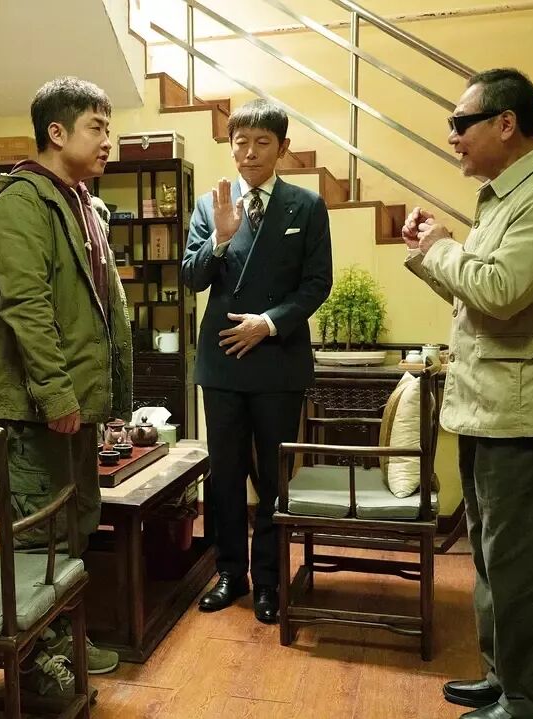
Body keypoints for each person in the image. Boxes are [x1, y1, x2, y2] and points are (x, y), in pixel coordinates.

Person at [402, 68, 533, 719]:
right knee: (492, 560)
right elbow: (478, 295)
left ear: (506, 123)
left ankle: (531, 699)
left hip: (525, 414)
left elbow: (503, 291)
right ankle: (504, 677)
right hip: (493, 407)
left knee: (518, 565)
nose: (451, 136)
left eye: (461, 123)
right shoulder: (507, 197)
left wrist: (443, 248)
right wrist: (429, 253)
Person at [0, 76, 133, 692]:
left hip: (75, 401)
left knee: (76, 523)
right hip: (35, 405)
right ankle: (33, 661)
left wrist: (102, 397)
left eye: (108, 128)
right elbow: (27, 305)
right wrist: (57, 394)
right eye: (97, 128)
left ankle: (63, 635)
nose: (107, 141)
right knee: (36, 531)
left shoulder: (82, 202)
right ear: (57, 132)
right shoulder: (23, 199)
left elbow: (99, 308)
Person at [182, 99, 333, 625]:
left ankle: (269, 579)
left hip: (277, 359)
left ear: (282, 148)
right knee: (224, 475)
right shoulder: (210, 206)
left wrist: (267, 324)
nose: (249, 152)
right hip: (223, 358)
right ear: (231, 146)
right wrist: (220, 239)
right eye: (240, 142)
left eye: (262, 142)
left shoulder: (307, 206)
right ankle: (230, 573)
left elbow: (317, 283)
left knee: (274, 477)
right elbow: (192, 278)